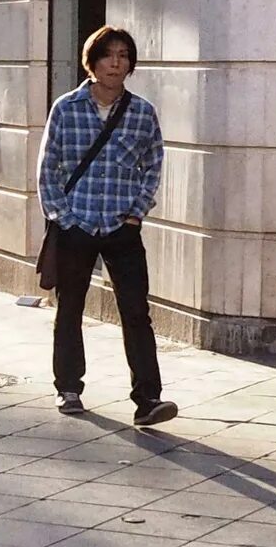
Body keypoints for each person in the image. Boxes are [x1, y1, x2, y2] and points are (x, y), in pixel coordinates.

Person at [36, 25, 177, 427]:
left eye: (123, 55)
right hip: (76, 224)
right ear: (92, 61)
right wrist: (64, 218)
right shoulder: (66, 108)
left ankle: (149, 399)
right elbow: (48, 168)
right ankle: (69, 388)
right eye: (108, 55)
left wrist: (137, 212)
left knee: (136, 312)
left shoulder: (142, 112)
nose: (116, 62)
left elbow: (153, 163)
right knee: (70, 309)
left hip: (121, 226)